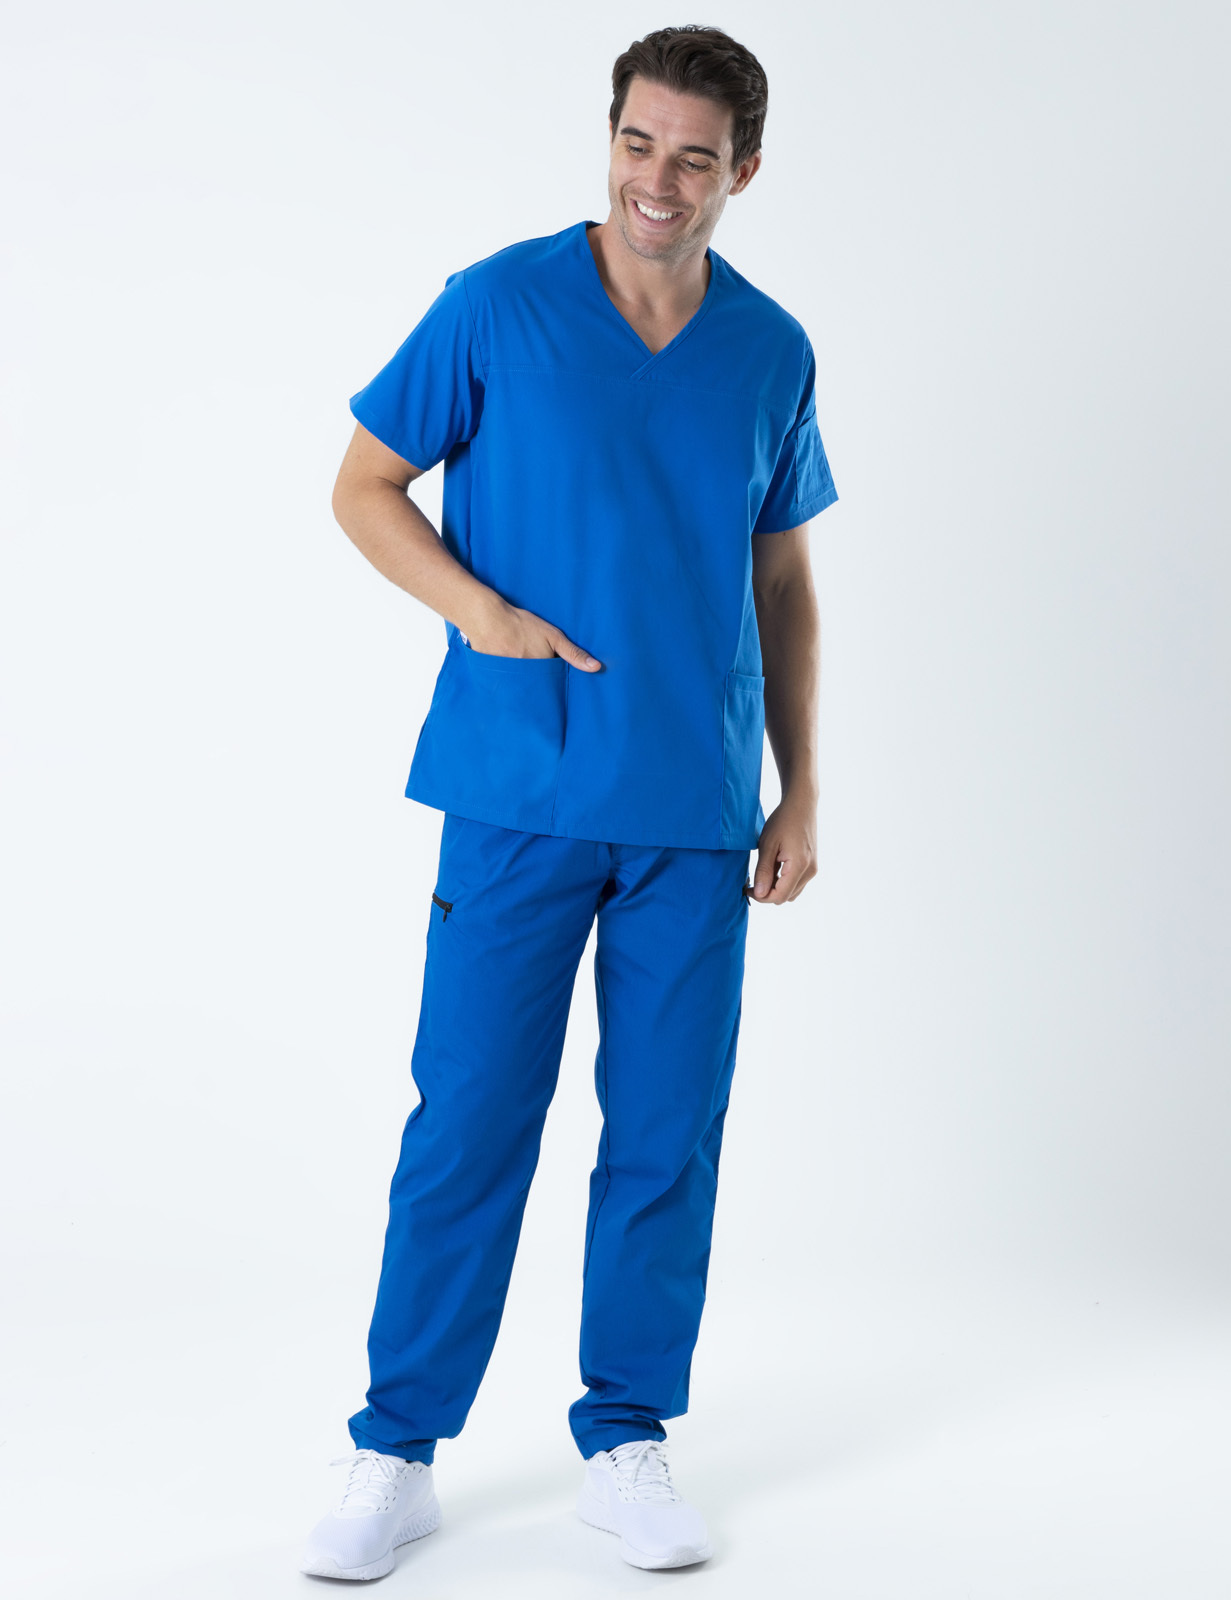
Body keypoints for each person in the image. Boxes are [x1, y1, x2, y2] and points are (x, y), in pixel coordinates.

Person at [301, 23, 839, 1582]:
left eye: (693, 157)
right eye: (637, 142)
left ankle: (627, 1438)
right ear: (609, 138)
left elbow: (783, 578)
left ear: (744, 172)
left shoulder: (772, 349)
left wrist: (801, 790)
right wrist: (477, 611)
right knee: (470, 1118)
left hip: (694, 808)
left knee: (666, 1136)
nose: (656, 179)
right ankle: (396, 1446)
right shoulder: (498, 304)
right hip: (518, 789)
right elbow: (362, 486)